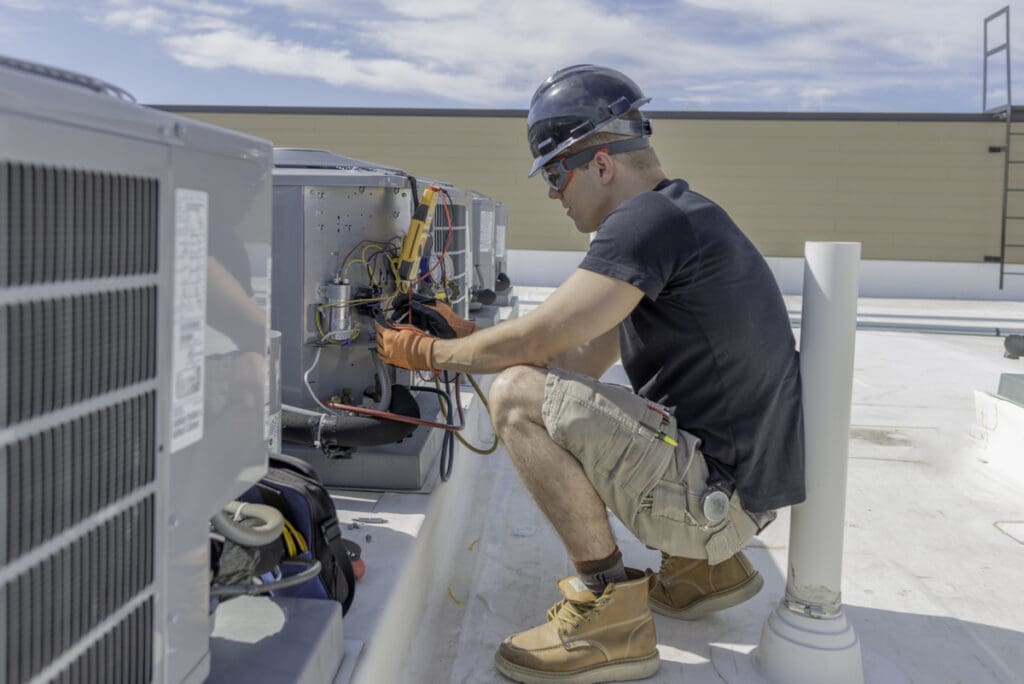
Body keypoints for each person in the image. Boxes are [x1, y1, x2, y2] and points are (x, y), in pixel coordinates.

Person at [375, 64, 805, 684]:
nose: (553, 192)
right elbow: (576, 358)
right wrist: (472, 338)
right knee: (542, 384)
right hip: (739, 492)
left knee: (517, 398)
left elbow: (539, 340)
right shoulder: (683, 218)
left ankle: (610, 614)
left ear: (602, 164)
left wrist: (427, 354)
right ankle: (704, 570)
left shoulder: (644, 222)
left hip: (715, 500)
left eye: (555, 172)